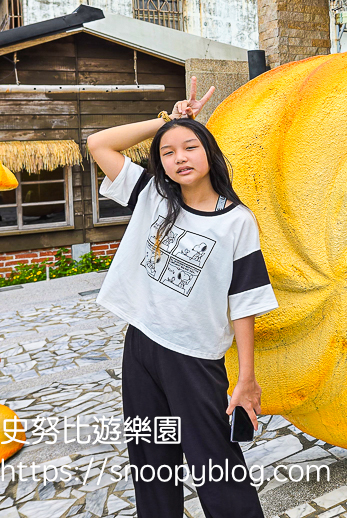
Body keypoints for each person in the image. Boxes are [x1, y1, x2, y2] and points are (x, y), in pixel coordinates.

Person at [88, 79, 279, 518]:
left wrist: (246, 378)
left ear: (209, 154)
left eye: (189, 147)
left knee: (216, 464)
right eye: (168, 152)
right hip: (142, 345)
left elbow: (245, 303)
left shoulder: (237, 222)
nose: (179, 158)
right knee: (150, 463)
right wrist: (167, 121)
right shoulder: (152, 195)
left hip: (195, 356)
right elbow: (99, 144)